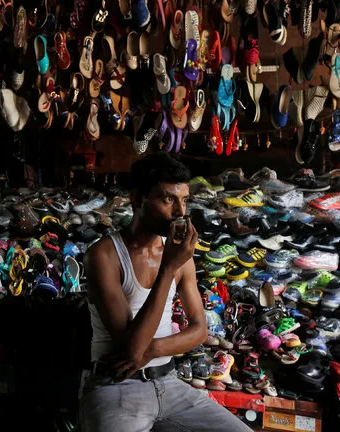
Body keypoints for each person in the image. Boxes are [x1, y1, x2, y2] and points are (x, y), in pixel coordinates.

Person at [80, 153, 251, 432]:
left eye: (184, 200)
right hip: (117, 387)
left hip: (169, 383)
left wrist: (155, 350)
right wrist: (168, 269)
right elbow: (130, 348)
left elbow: (199, 330)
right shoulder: (104, 255)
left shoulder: (179, 256)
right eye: (168, 199)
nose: (180, 213)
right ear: (138, 199)